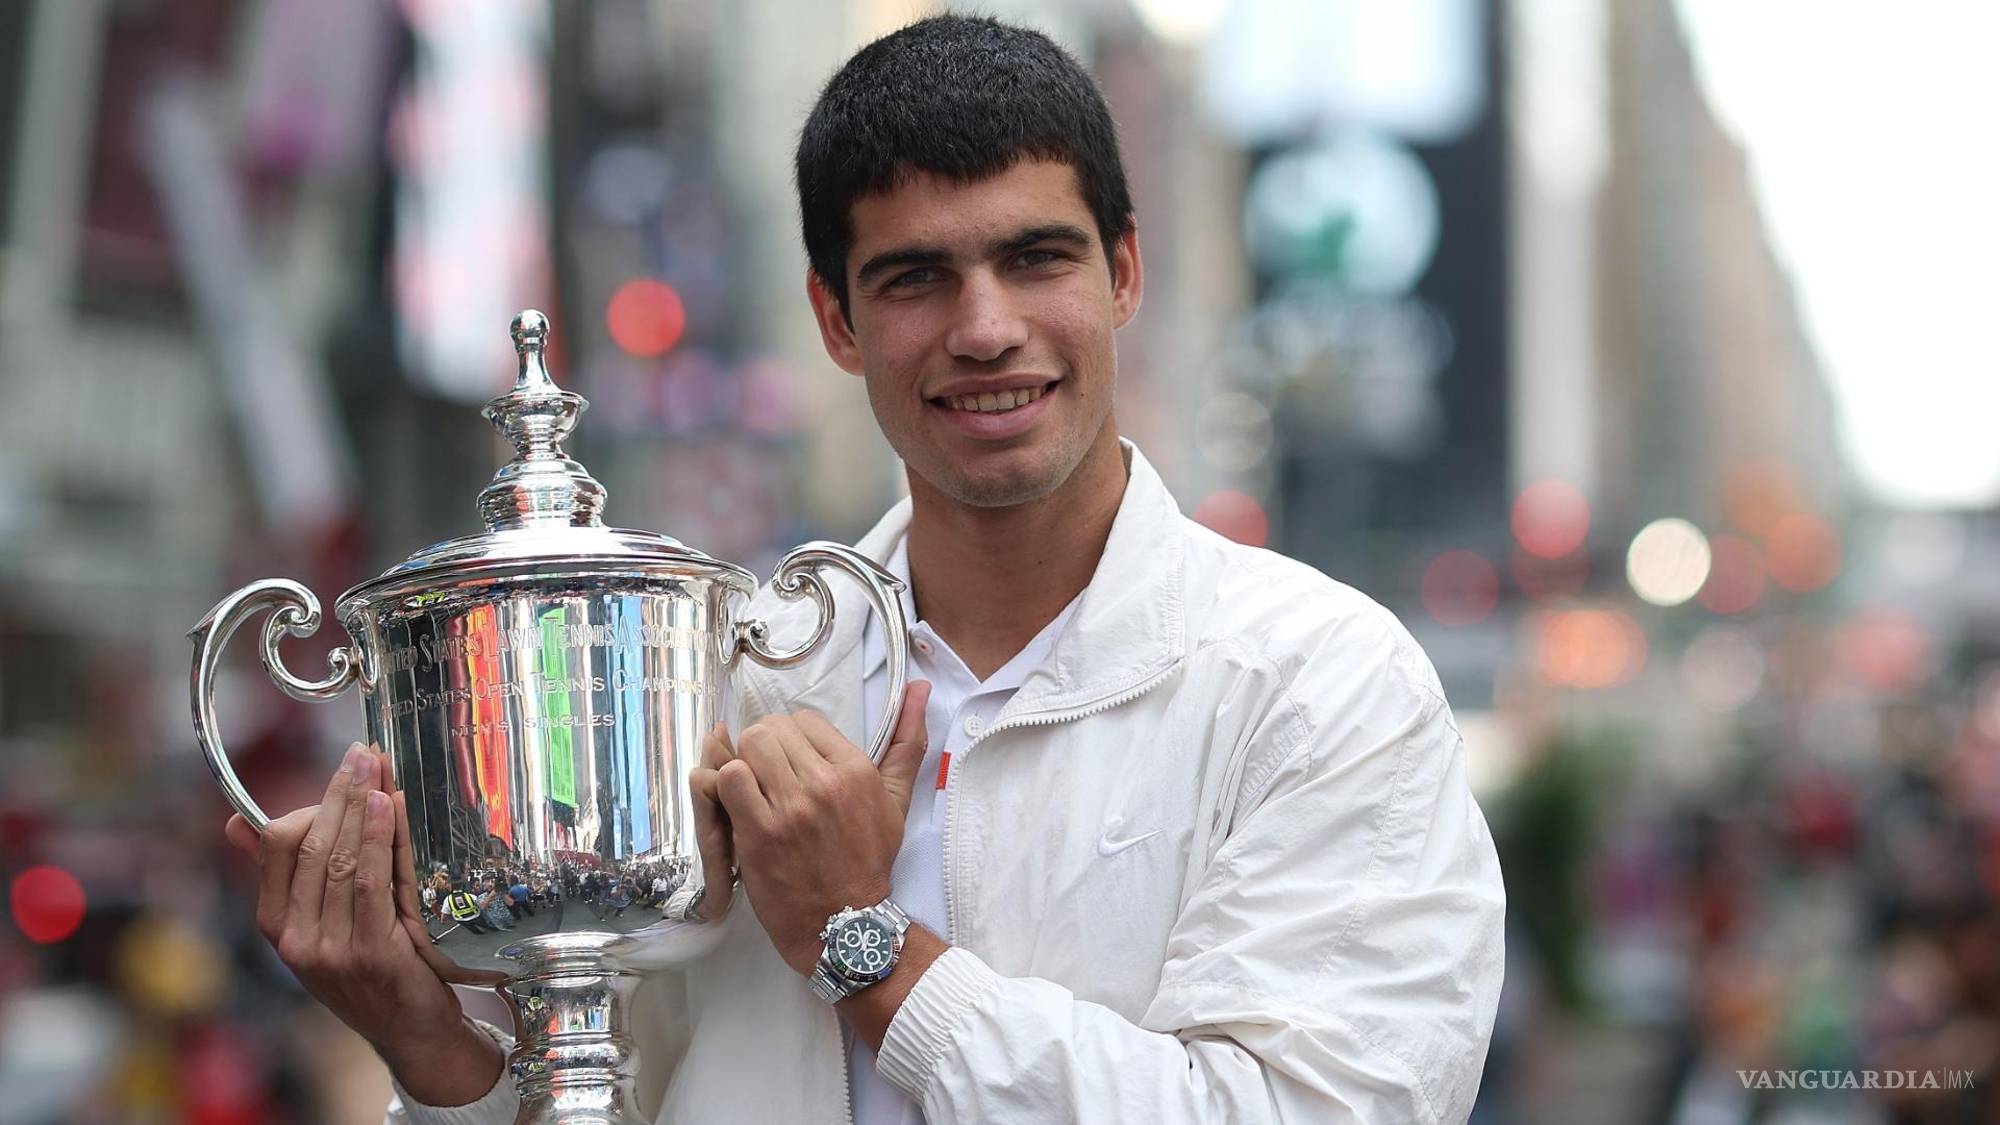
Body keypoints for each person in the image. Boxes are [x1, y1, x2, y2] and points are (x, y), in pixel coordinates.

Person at [223, 14, 1504, 1123]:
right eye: (915, 278)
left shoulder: (1316, 683)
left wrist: (870, 952)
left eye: (1035, 257)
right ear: (836, 320)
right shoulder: (721, 693)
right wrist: (431, 1049)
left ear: (1121, 272)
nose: (986, 328)